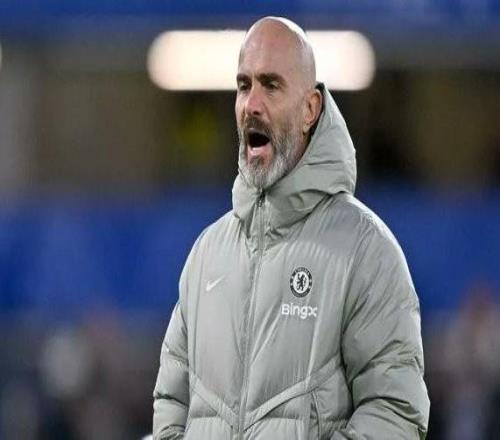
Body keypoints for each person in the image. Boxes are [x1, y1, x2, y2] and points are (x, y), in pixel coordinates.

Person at [153, 16, 430, 440]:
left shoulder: (367, 251)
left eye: (271, 85)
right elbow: (172, 404)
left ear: (310, 109)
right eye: (243, 86)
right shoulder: (207, 254)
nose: (252, 103)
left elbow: (395, 411)